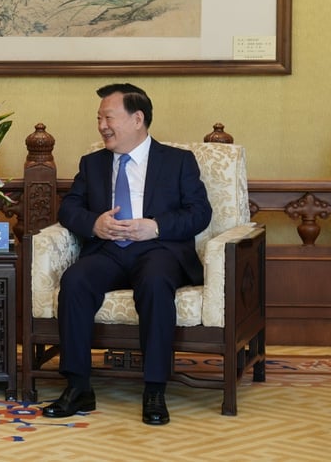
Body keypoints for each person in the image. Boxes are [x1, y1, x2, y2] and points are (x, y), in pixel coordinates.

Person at [41, 83, 212, 425]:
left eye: (108, 117)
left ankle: (154, 389)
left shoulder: (178, 161)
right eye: (99, 118)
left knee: (154, 281)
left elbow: (199, 213)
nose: (102, 125)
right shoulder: (92, 164)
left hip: (158, 249)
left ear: (137, 119)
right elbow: (69, 209)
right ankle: (78, 386)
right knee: (75, 281)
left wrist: (156, 226)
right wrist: (95, 224)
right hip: (108, 251)